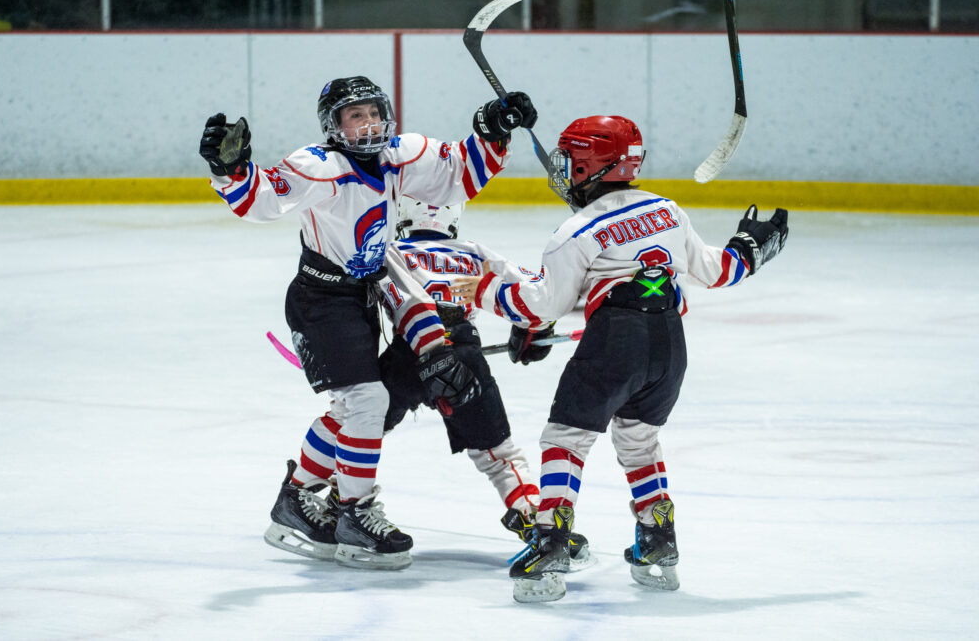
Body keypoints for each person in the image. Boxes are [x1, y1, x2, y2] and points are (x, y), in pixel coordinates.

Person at [198, 75, 537, 570]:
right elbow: (262, 199)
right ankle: (354, 512)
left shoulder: (399, 155)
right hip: (320, 299)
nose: (369, 123)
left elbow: (457, 176)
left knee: (354, 409)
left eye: (374, 112)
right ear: (333, 126)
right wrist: (229, 168)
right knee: (368, 401)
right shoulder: (319, 166)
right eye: (355, 116)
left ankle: (295, 498)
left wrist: (493, 128)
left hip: (365, 294)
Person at [452, 115, 789, 601]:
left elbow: (544, 303)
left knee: (566, 438)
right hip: (670, 346)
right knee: (638, 439)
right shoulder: (667, 211)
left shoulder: (578, 229)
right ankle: (658, 540)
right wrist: (751, 248)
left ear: (592, 165)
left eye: (569, 161)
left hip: (615, 343)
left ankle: (550, 540)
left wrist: (488, 292)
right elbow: (716, 271)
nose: (563, 170)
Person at [375, 196, 592, 567]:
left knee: (361, 431)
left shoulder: (391, 250)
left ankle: (340, 498)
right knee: (498, 454)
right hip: (462, 355)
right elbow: (536, 295)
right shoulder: (472, 252)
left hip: (407, 353)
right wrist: (532, 331)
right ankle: (533, 518)